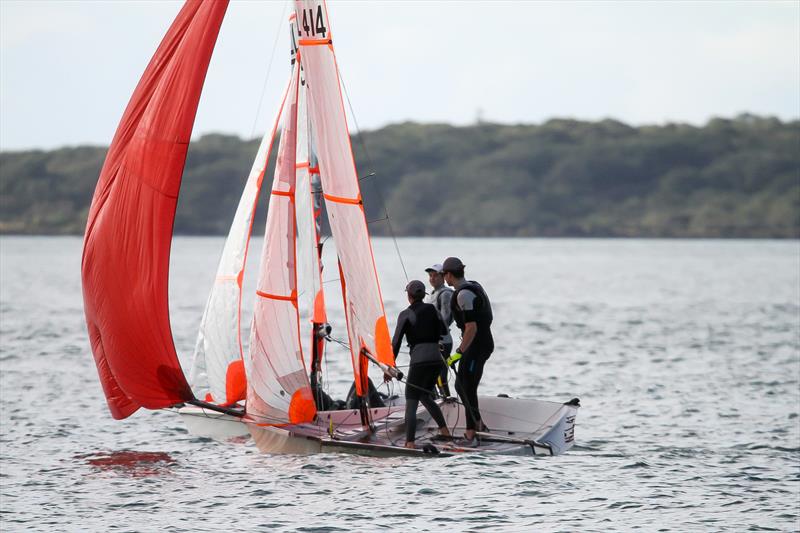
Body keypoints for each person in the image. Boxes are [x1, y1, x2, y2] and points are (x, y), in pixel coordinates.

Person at [391, 280, 451, 449]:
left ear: (409, 296)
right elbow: (444, 331)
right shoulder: (433, 309)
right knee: (425, 396)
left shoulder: (406, 314)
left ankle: (410, 443)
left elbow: (395, 343)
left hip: (420, 361)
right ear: (423, 295)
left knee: (411, 400)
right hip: (436, 360)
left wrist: (389, 366)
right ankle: (445, 432)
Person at [441, 256, 494, 445]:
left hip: (478, 345)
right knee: (462, 385)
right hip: (476, 344)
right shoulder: (473, 285)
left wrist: (459, 352)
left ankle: (472, 431)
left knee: (467, 386)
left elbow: (472, 327)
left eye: (443, 275)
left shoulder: (463, 295)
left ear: (449, 275)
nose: (443, 278)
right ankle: (478, 424)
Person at [424, 263, 454, 397]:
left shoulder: (446, 293)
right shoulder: (432, 293)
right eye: (430, 276)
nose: (432, 278)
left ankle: (447, 399)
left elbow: (445, 319)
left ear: (443, 277)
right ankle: (439, 398)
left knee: (441, 374)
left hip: (443, 341)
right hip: (434, 340)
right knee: (432, 373)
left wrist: (434, 334)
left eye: (435, 275)